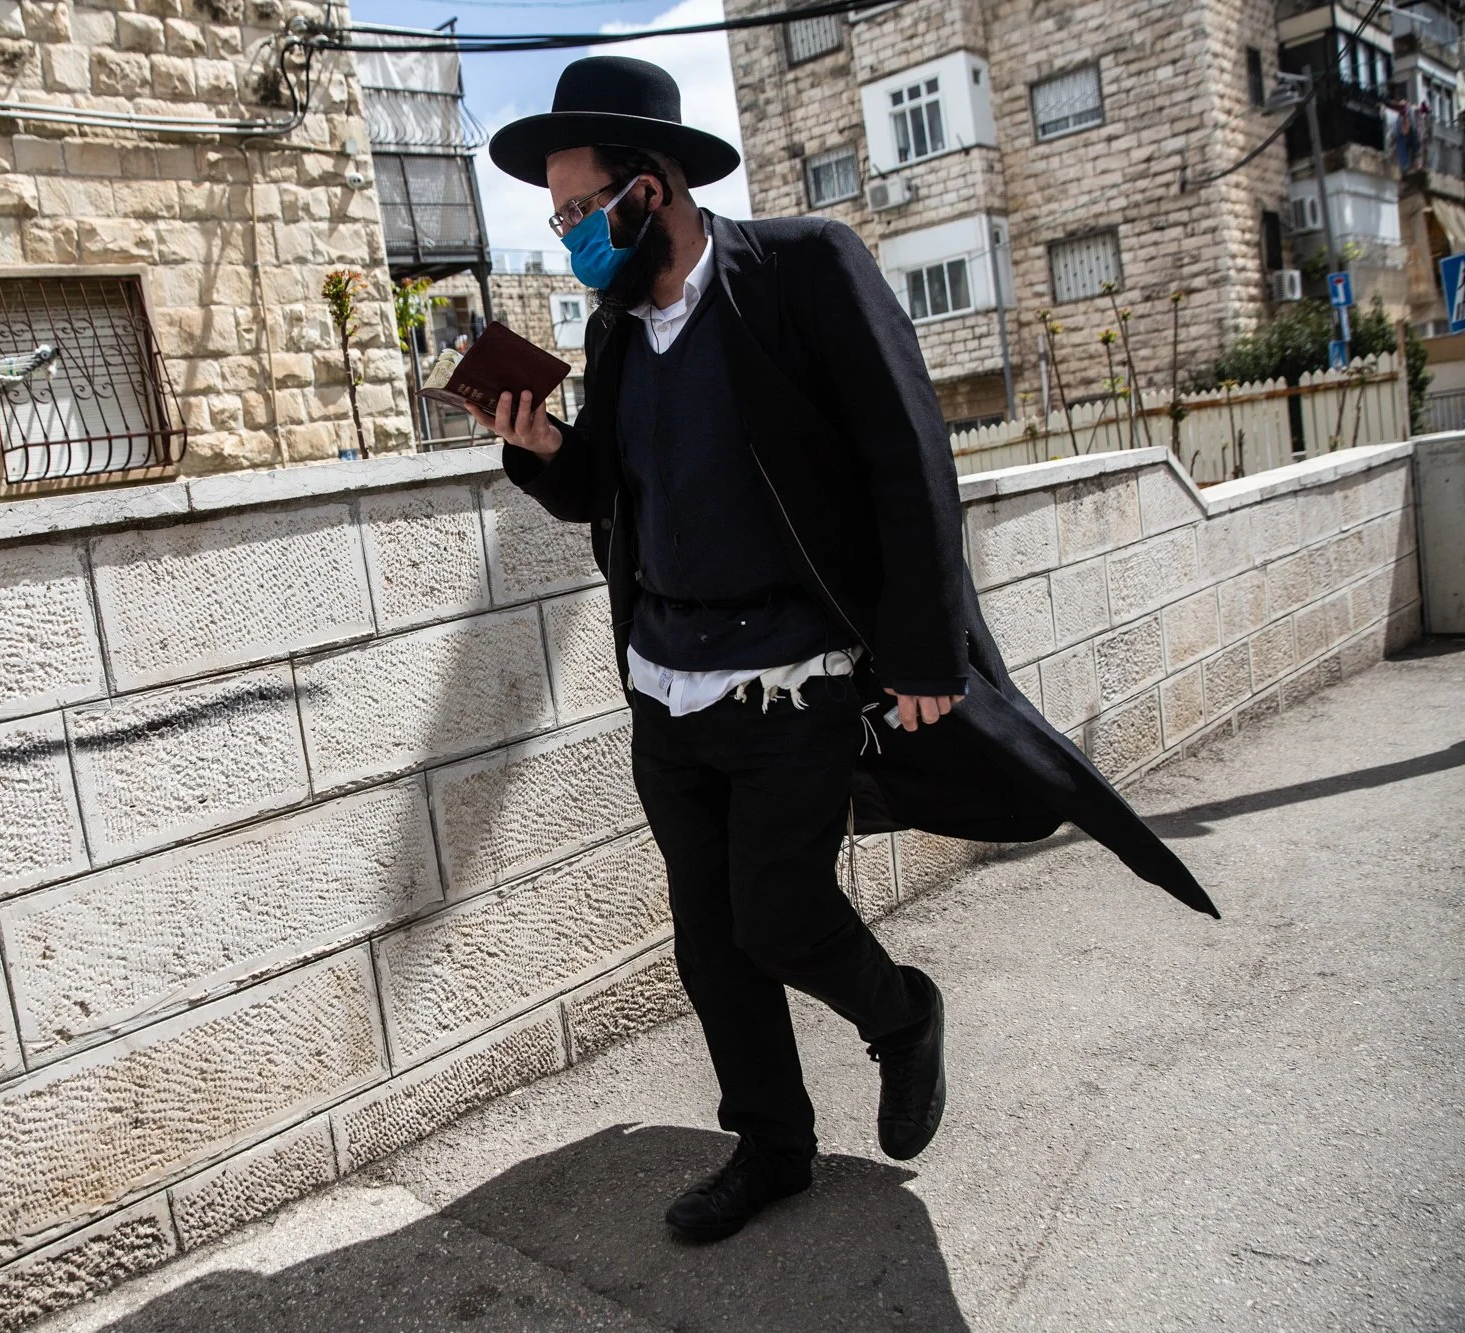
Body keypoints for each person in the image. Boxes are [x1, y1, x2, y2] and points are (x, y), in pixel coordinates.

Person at [474, 55, 1217, 1245]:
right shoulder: (616, 331)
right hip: (664, 687)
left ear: (648, 190)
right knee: (710, 944)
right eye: (554, 216)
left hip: (794, 678)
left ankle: (901, 1013)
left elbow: (908, 460)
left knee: (774, 910)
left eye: (576, 210)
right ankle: (770, 1145)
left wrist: (924, 655)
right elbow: (602, 494)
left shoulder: (803, 271)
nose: (567, 236)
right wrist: (538, 444)